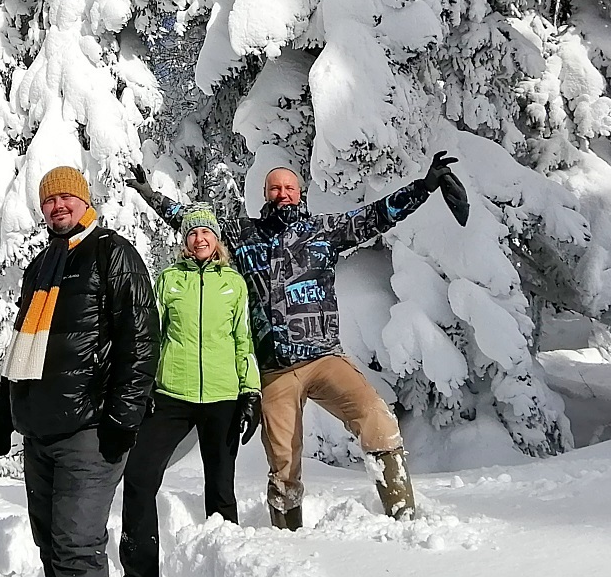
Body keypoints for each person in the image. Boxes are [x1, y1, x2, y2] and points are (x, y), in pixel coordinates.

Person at [131, 154, 467, 529]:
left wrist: (424, 186)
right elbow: (198, 227)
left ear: (301, 193)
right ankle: (288, 536)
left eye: (289, 188)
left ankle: (403, 514)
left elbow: (376, 215)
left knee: (376, 418)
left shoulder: (323, 231)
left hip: (324, 359)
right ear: (265, 194)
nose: (283, 194)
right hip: (275, 371)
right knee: (283, 461)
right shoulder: (245, 235)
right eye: (275, 188)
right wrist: (151, 195)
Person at [0, 166, 157, 577]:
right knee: (50, 545)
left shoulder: (113, 253)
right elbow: (24, 344)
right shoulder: (42, 266)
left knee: (77, 551)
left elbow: (141, 339)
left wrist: (123, 418)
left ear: (85, 201)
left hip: (90, 431)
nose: (58, 205)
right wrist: (3, 411)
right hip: (40, 433)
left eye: (67, 197)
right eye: (49, 200)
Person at [118, 203, 261, 577]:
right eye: (193, 232)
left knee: (220, 489)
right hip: (171, 396)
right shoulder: (168, 280)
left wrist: (250, 392)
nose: (200, 238)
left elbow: (243, 340)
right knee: (140, 477)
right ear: (184, 240)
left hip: (222, 397)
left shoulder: (233, 284)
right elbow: (152, 336)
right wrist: (143, 387)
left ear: (216, 239)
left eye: (206, 232)